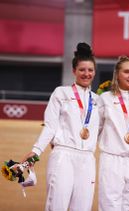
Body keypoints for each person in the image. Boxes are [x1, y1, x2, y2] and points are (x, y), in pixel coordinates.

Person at [22, 42, 100, 211]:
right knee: (56, 206)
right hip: (63, 155)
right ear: (74, 71)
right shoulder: (61, 93)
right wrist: (35, 152)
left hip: (87, 159)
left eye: (90, 70)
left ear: (94, 72)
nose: (86, 74)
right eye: (82, 70)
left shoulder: (99, 101)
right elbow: (50, 126)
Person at [97, 56, 129, 211]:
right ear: (117, 75)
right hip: (112, 159)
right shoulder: (105, 99)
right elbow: (96, 128)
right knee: (109, 205)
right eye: (126, 72)